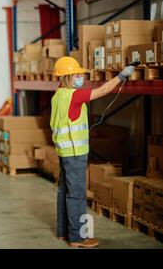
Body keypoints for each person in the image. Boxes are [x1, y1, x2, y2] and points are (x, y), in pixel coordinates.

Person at [50, 57, 134, 248]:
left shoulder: (57, 96)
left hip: (64, 151)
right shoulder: (74, 96)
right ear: (68, 77)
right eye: (78, 75)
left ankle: (64, 232)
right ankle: (78, 237)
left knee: (64, 191)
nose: (81, 77)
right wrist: (121, 76)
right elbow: (103, 90)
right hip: (75, 153)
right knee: (77, 194)